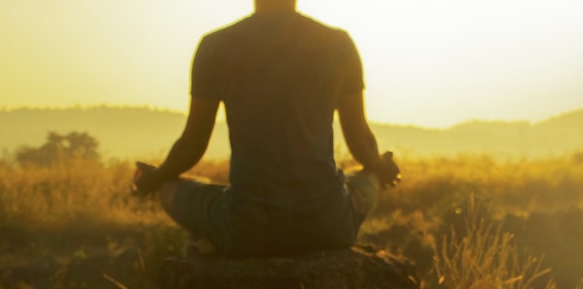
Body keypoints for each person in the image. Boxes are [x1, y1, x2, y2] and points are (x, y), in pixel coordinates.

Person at [132, 0, 400, 258]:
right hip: (329, 226)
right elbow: (360, 141)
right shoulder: (338, 44)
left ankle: (210, 245)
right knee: (369, 179)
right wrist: (380, 165)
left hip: (248, 229)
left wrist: (156, 179)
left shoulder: (215, 46)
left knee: (170, 189)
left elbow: (192, 145)